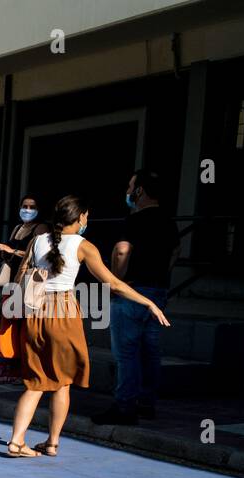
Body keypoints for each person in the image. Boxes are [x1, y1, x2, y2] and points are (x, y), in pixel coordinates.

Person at [7, 195, 168, 457]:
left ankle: (16, 441)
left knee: (35, 382)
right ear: (81, 218)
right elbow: (113, 283)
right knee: (63, 383)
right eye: (86, 217)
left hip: (35, 312)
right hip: (64, 313)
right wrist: (148, 302)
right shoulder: (84, 246)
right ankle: (52, 442)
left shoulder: (36, 241)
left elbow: (18, 280)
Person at [93, 170, 179, 425]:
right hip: (157, 292)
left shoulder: (133, 220)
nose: (128, 192)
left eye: (131, 187)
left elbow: (122, 250)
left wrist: (116, 281)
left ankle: (124, 407)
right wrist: (162, 274)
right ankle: (146, 402)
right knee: (150, 351)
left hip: (131, 291)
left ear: (140, 190)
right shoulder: (168, 220)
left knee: (127, 353)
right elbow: (176, 250)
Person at [0, 194, 47, 288]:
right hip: (12, 275)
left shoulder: (41, 228)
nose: (27, 210)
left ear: (38, 210)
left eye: (32, 207)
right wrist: (4, 251)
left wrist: (12, 251)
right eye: (25, 206)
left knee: (21, 302)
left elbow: (38, 256)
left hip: (28, 277)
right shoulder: (17, 227)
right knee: (8, 302)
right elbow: (9, 249)